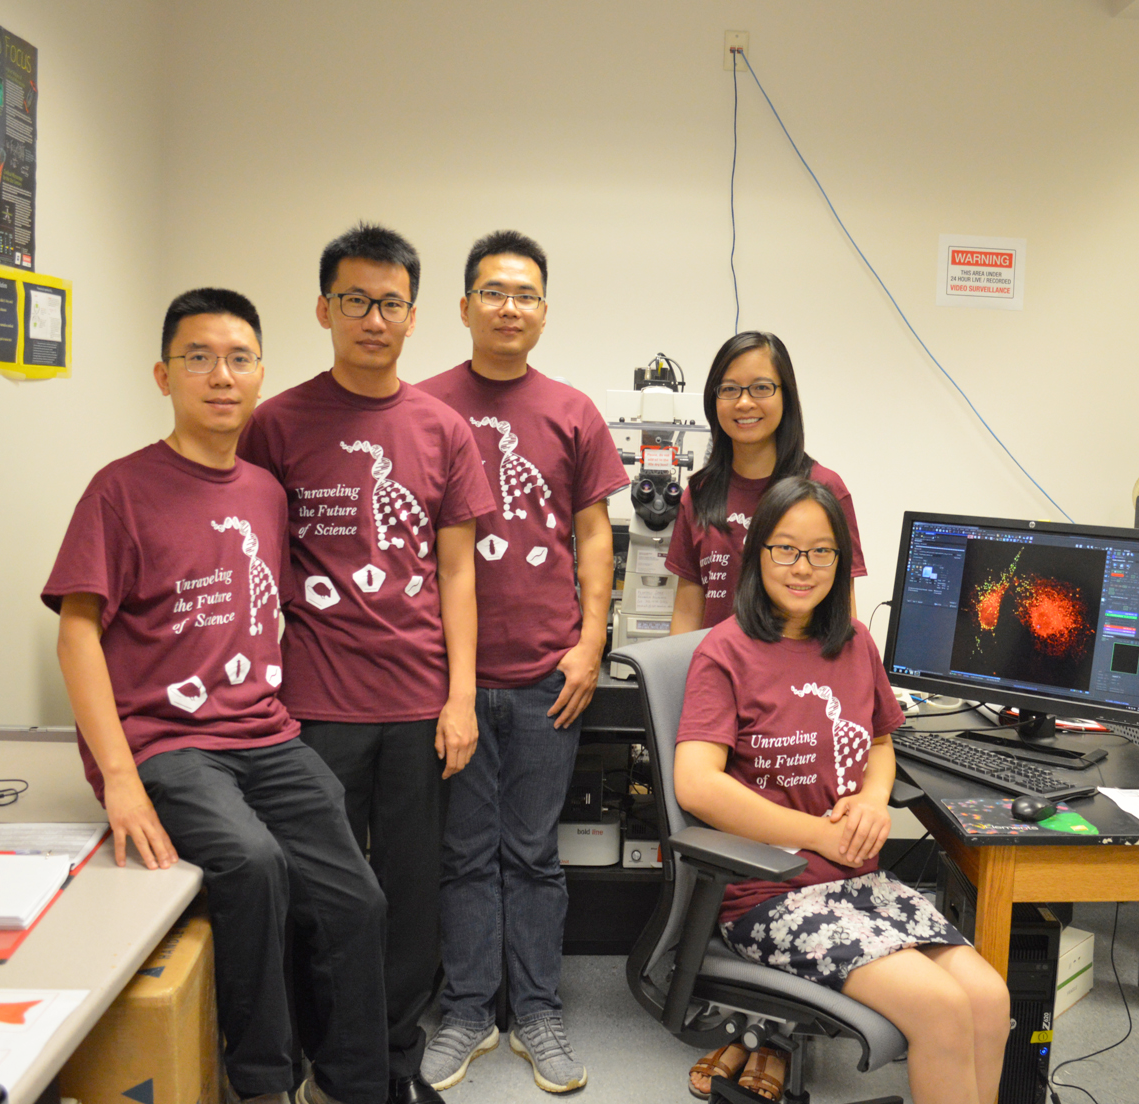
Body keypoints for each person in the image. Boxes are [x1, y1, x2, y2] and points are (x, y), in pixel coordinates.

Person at [44, 288, 388, 1104]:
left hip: (265, 736)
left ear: (261, 374)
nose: (220, 376)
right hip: (169, 744)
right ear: (164, 375)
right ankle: (263, 1084)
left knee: (357, 900)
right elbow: (77, 634)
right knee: (253, 864)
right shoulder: (118, 490)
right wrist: (119, 777)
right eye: (198, 358)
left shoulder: (266, 492)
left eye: (238, 359)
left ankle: (352, 1086)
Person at [238, 224, 494, 1104]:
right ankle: (325, 1065)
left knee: (411, 905)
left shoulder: (442, 429)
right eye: (355, 300)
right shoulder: (275, 426)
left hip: (420, 705)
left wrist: (460, 699)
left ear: (414, 317)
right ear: (324, 309)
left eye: (389, 303)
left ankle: (388, 1067)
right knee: (323, 905)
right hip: (313, 711)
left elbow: (458, 573)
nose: (373, 318)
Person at [675, 477, 1010, 1104]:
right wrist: (816, 834)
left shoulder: (854, 645)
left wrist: (872, 798)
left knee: (990, 997)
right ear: (758, 555)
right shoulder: (726, 651)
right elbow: (695, 785)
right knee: (939, 1008)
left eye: (821, 552)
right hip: (769, 895)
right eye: (786, 550)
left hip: (859, 884)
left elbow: (880, 743)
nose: (803, 568)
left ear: (841, 559)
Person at [416, 230, 629, 1095]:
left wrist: (590, 644)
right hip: (451, 678)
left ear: (543, 310)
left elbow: (594, 535)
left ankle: (536, 1009)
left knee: (533, 852)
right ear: (464, 307)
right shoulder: (423, 407)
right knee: (466, 852)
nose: (510, 308)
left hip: (549, 676)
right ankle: (469, 1008)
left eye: (527, 294)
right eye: (494, 292)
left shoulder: (572, 411)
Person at [666, 331, 867, 635]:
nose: (744, 402)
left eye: (761, 388)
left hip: (799, 679)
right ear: (714, 398)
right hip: (718, 673)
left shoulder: (825, 490)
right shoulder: (699, 494)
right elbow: (687, 608)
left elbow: (843, 610)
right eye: (730, 389)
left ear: (786, 395)